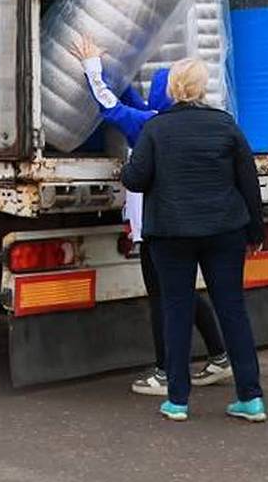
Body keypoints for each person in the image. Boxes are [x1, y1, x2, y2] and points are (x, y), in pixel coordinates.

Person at [72, 37, 231, 397]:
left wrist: (92, 67)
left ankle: (165, 372)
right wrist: (117, 69)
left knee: (163, 299)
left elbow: (111, 107)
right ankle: (220, 356)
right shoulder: (167, 120)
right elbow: (129, 102)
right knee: (182, 293)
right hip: (182, 224)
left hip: (156, 228)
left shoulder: (150, 126)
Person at [122, 57, 267, 423]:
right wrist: (256, 231)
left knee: (176, 311)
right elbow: (248, 181)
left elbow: (136, 180)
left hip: (171, 234)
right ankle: (251, 398)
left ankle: (178, 401)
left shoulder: (156, 129)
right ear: (203, 87)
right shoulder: (225, 125)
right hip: (224, 230)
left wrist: (126, 168)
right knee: (232, 309)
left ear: (172, 89)